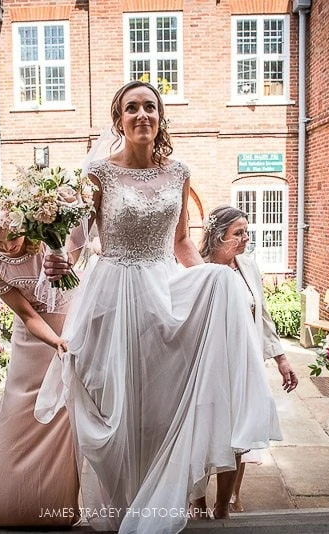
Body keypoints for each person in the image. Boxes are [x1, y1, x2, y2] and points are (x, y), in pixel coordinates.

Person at [36, 80, 281, 533]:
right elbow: (76, 244)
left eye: (150, 107)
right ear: (119, 120)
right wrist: (60, 262)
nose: (142, 115)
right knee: (119, 409)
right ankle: (124, 508)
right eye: (132, 108)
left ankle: (157, 504)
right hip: (111, 296)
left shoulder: (179, 172)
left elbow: (182, 240)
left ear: (160, 117)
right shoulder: (98, 175)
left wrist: (205, 283)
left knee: (161, 405)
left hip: (163, 290)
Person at [0, 190, 80, 527]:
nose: (7, 247)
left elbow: (85, 248)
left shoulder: (49, 236)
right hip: (36, 344)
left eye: (11, 238)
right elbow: (27, 315)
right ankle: (2, 505)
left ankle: (51, 508)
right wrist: (56, 341)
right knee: (16, 419)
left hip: (73, 331)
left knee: (65, 423)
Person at [196, 205, 298, 513]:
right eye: (238, 233)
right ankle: (197, 502)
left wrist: (281, 358)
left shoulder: (248, 268)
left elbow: (263, 317)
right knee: (204, 432)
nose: (245, 239)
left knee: (240, 434)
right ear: (217, 236)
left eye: (246, 232)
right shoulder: (196, 267)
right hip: (207, 369)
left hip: (245, 366)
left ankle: (223, 506)